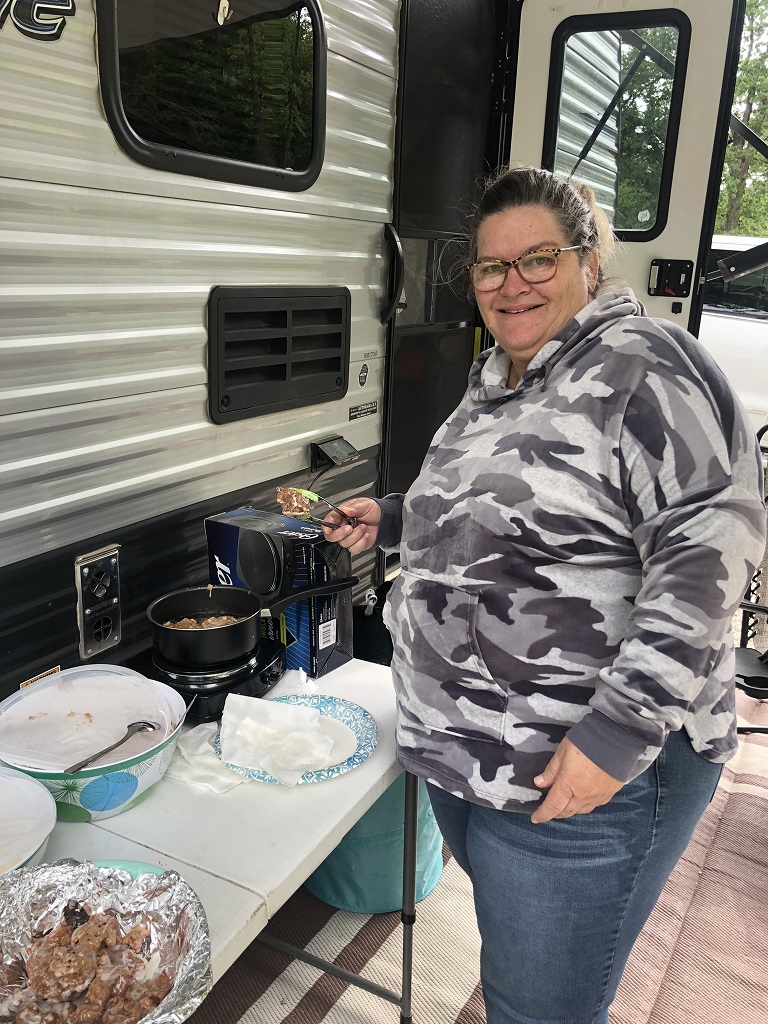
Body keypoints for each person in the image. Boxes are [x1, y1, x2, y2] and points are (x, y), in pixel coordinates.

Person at [322, 166, 766, 1024]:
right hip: (475, 758)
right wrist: (390, 516)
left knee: (536, 1010)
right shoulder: (501, 376)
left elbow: (711, 551)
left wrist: (616, 734)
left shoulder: (643, 365)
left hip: (585, 781)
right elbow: (487, 511)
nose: (511, 283)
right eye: (491, 267)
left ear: (589, 262)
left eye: (539, 257)